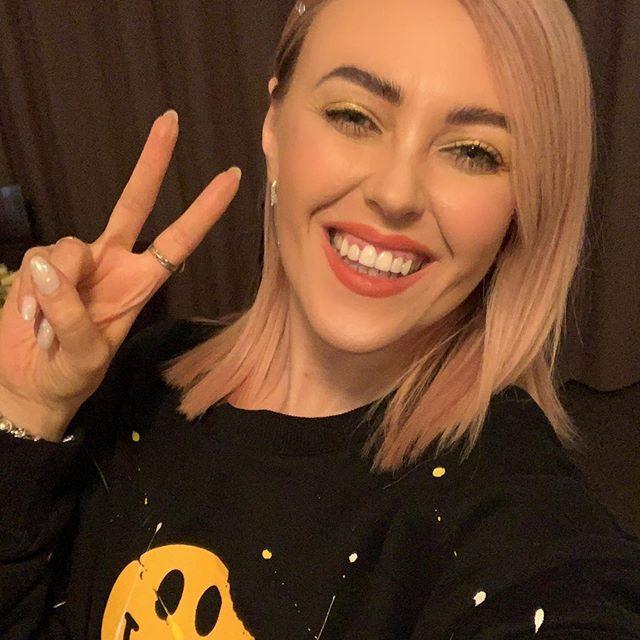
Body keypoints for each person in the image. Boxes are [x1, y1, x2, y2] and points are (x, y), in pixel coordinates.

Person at [0, 0, 639, 638]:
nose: (395, 194)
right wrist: (25, 407)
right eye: (353, 116)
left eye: (473, 152)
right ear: (274, 126)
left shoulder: (515, 510)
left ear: (524, 203)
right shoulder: (136, 379)